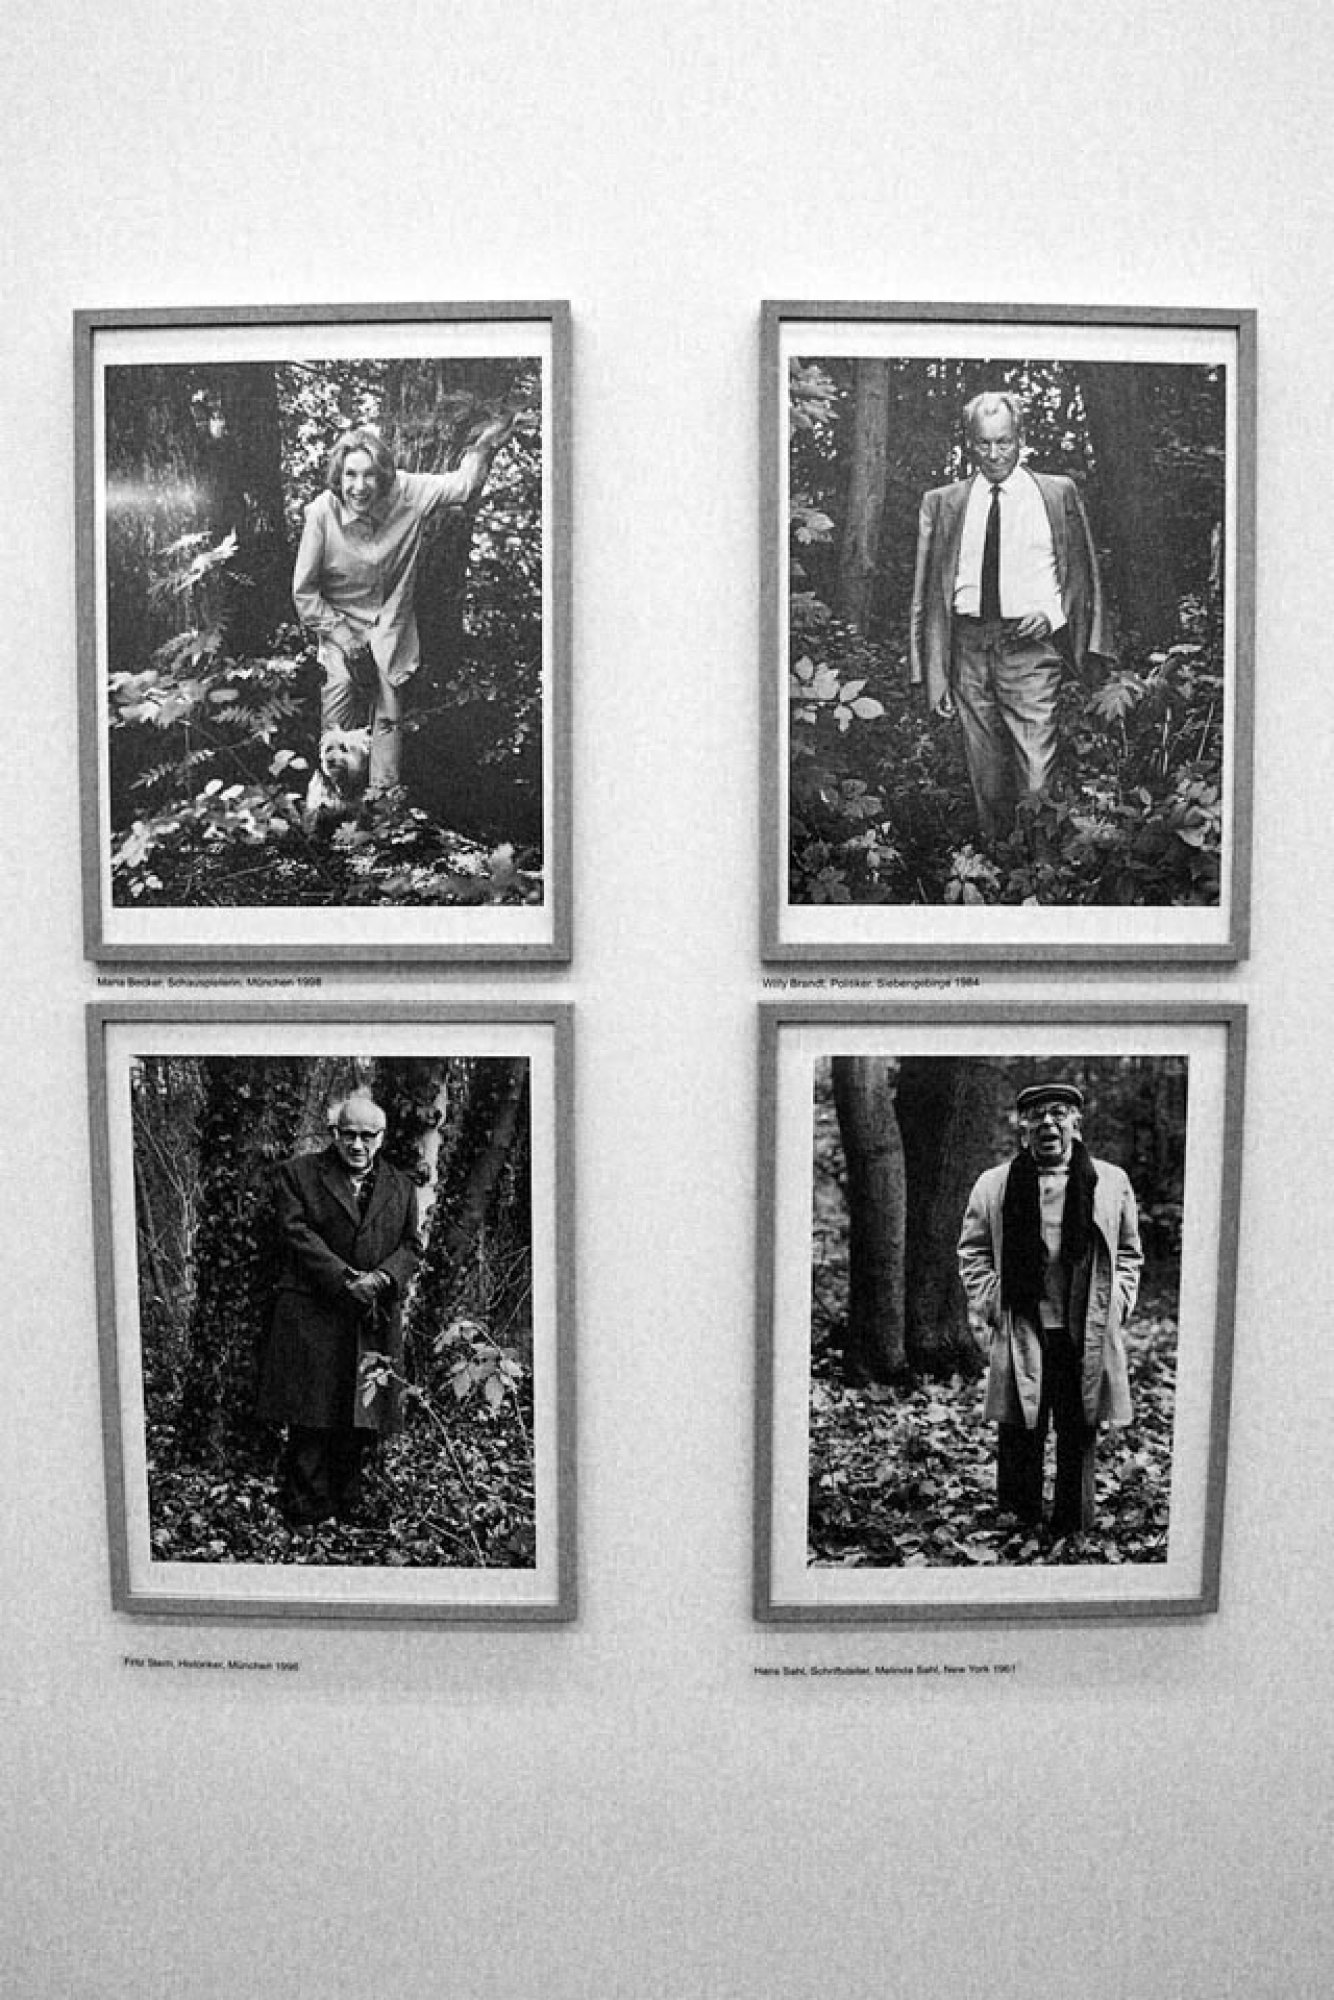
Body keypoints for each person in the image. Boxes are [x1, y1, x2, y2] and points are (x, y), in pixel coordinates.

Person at [909, 390, 1110, 842]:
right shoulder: (943, 503)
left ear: (1020, 438)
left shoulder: (1056, 493)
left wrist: (1052, 614)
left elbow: (1081, 574)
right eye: (984, 443)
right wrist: (933, 670)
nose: (995, 453)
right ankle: (997, 864)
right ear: (969, 443)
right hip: (968, 649)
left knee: (1037, 773)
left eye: (1004, 441)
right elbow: (926, 595)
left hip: (1029, 649)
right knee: (986, 777)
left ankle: (1044, 866)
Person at [956, 1081, 1143, 1537]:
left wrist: (1116, 1303)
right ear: (1022, 1127)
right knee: (1020, 1426)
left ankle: (1072, 1526)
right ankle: (1018, 1523)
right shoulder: (995, 1184)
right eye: (1036, 1115)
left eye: (1058, 1113)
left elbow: (1129, 1253)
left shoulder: (1110, 1182)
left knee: (1078, 1428)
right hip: (1024, 1324)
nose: (1048, 1123)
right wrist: (993, 1301)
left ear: (1076, 1123)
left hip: (1085, 1328)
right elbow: (972, 1252)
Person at [292, 414, 515, 795]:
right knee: (338, 711)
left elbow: (463, 486)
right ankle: (333, 804)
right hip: (339, 626)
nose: (359, 486)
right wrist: (343, 637)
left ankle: (383, 805)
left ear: (382, 476)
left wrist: (484, 447)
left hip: (390, 626)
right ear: (338, 477)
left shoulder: (409, 492)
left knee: (388, 717)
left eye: (369, 475)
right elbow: (304, 592)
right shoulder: (321, 514)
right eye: (350, 475)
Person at [256, 1091, 424, 1527]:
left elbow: (411, 1246)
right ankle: (306, 1512)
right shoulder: (298, 1174)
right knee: (311, 1415)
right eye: (348, 1134)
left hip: (371, 1319)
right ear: (334, 1133)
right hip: (312, 1312)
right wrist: (347, 1278)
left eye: (368, 1136)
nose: (357, 1144)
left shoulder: (402, 1186)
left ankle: (351, 1506)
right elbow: (295, 1233)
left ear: (382, 1137)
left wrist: (381, 1279)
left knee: (360, 1415)